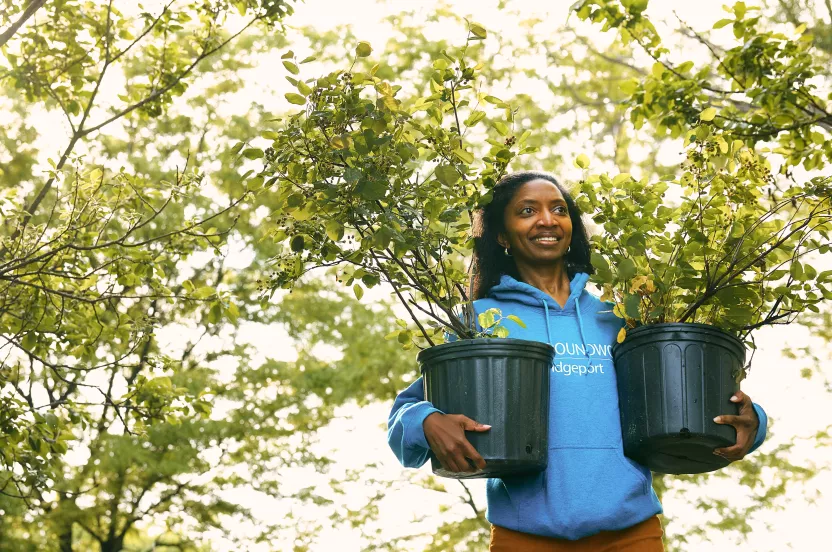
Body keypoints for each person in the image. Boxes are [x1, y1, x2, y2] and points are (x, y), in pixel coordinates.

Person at [386, 171, 768, 551]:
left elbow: (692, 392)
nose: (547, 220)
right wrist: (426, 420)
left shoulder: (619, 317)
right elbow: (405, 414)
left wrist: (754, 422)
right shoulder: (478, 320)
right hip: (525, 538)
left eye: (559, 209)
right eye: (527, 210)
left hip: (630, 533)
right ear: (502, 235)